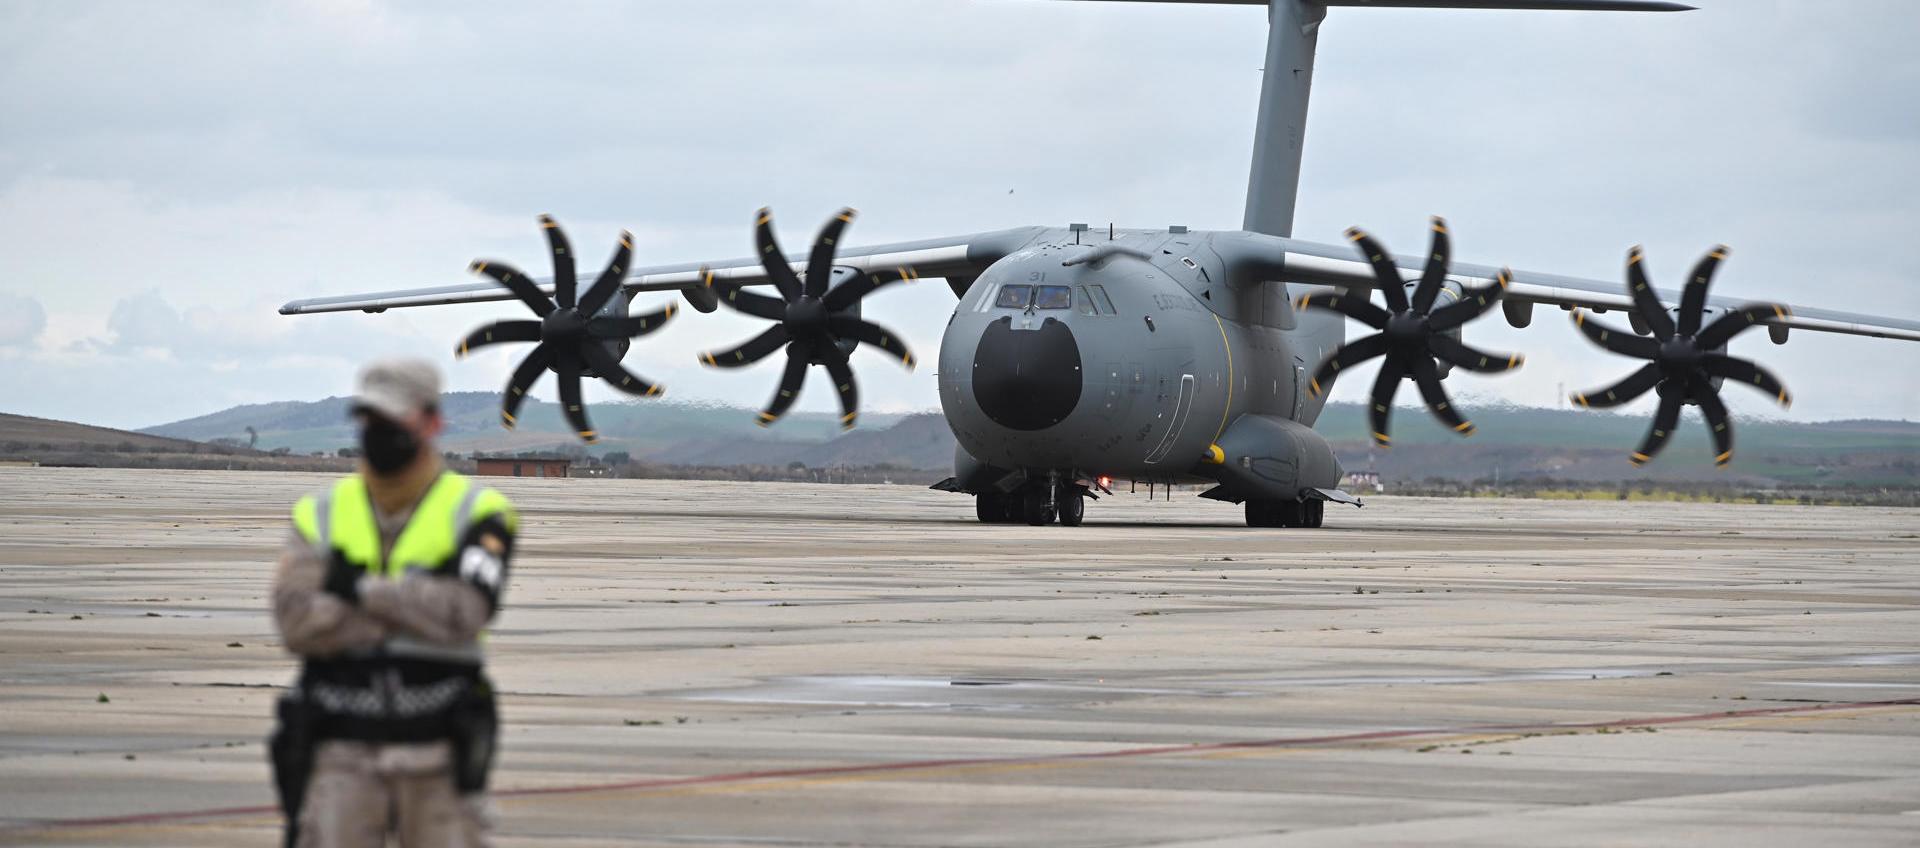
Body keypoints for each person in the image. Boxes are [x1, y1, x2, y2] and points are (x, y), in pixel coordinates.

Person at [269, 358, 517, 848]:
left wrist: (359, 590)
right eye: (370, 420)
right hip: (341, 751)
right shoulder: (319, 513)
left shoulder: (479, 512)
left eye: (393, 420)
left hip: (437, 754)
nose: (379, 432)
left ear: (432, 421)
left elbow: (464, 613)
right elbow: (296, 624)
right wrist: (413, 606)